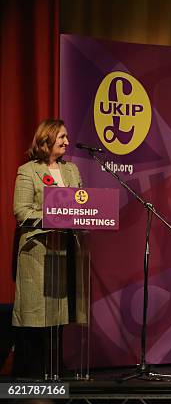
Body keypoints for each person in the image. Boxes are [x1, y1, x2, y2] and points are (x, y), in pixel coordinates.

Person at [12, 119, 85, 379]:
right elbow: (21, 210)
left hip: (64, 250)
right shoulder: (27, 171)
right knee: (36, 311)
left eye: (66, 137)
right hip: (37, 251)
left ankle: (56, 365)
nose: (67, 142)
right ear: (46, 140)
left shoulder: (72, 171)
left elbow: (81, 205)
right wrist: (52, 217)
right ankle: (32, 369)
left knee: (60, 309)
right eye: (62, 137)